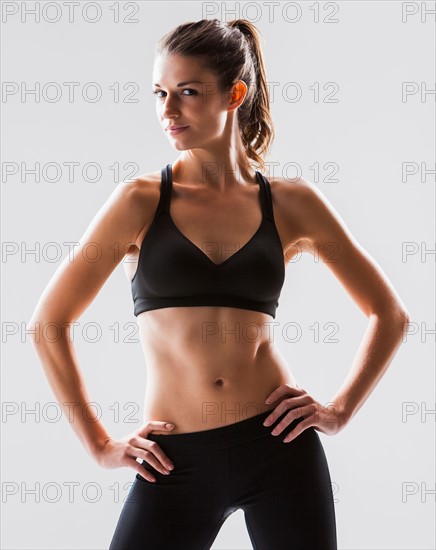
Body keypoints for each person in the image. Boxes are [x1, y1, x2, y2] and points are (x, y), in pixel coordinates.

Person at [29, 18, 410, 550]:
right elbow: (48, 323)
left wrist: (339, 410)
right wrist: (98, 445)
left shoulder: (291, 202)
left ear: (235, 94)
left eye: (187, 92)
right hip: (174, 460)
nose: (168, 110)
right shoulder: (139, 200)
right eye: (160, 93)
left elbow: (389, 314)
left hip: (279, 449)